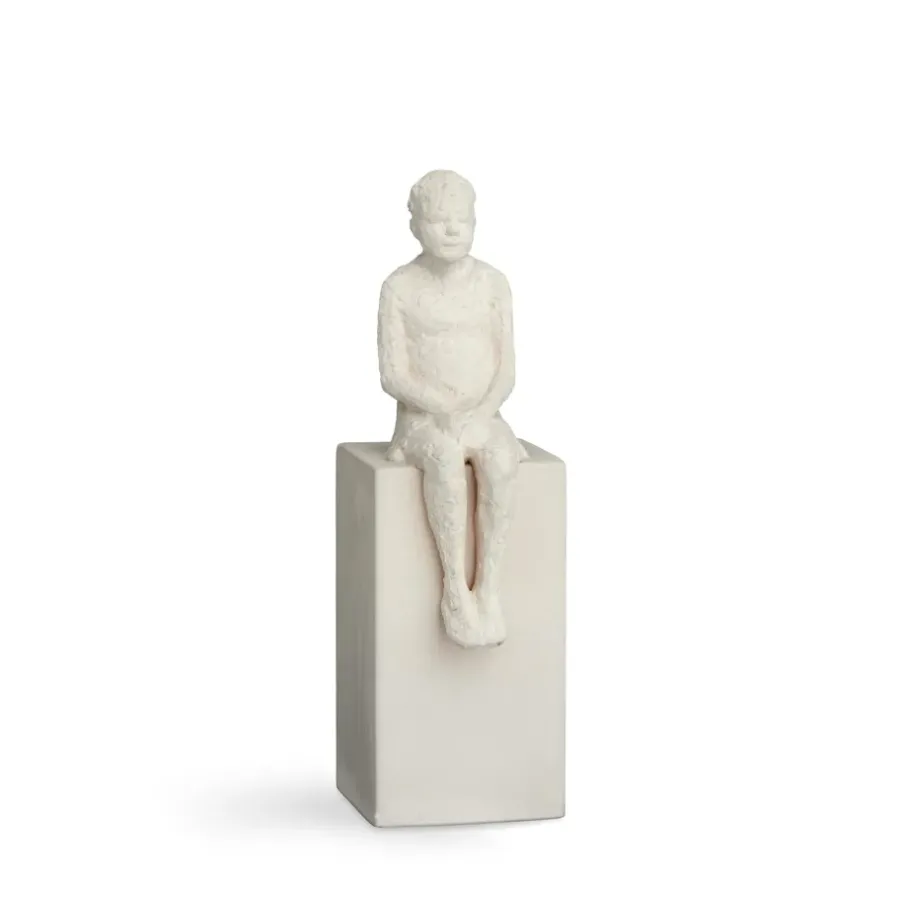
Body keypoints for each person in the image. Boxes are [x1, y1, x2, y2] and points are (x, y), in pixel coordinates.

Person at [377, 170, 526, 648]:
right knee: (443, 458)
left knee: (499, 459)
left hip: (482, 416)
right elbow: (393, 374)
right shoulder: (399, 287)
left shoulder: (493, 283)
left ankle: (489, 586)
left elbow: (507, 368)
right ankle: (455, 589)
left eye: (462, 218)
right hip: (424, 420)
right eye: (439, 219)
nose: (453, 228)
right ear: (416, 225)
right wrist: (441, 408)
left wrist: (481, 411)